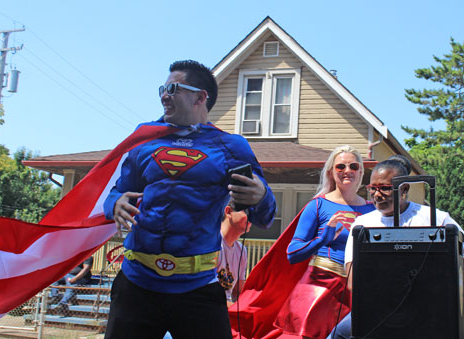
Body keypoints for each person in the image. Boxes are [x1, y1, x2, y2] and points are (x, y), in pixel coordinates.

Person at [103, 60, 276, 339]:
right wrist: (116, 203)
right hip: (137, 283)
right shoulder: (144, 138)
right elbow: (116, 191)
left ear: (200, 97)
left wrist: (263, 195)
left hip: (198, 287)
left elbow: (266, 218)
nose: (163, 95)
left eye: (173, 88)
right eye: (162, 88)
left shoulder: (232, 147)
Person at [327, 155, 460, 339]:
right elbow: (353, 281)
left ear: (404, 188)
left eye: (385, 188)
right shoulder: (362, 225)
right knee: (338, 335)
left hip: (428, 306)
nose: (377, 194)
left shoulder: (437, 219)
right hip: (378, 309)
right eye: (373, 188)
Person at [273, 145, 376, 339]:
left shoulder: (373, 211)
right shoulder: (318, 205)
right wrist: (322, 240)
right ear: (331, 172)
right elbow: (292, 253)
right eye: (340, 167)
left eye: (353, 166)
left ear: (361, 171)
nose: (347, 171)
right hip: (321, 285)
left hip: (360, 289)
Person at [217, 200, 251, 305]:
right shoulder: (212, 243)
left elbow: (237, 293)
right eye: (248, 212)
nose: (252, 218)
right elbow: (205, 295)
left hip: (225, 312)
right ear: (228, 211)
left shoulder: (241, 250)